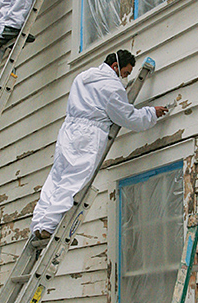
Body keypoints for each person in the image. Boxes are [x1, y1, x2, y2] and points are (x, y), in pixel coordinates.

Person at [31, 49, 168, 238]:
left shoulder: (83, 77)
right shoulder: (111, 86)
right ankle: (49, 226)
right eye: (126, 73)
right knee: (74, 178)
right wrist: (151, 113)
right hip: (89, 134)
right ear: (115, 67)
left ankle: (39, 223)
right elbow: (126, 116)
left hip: (68, 131)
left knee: (57, 177)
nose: (126, 78)